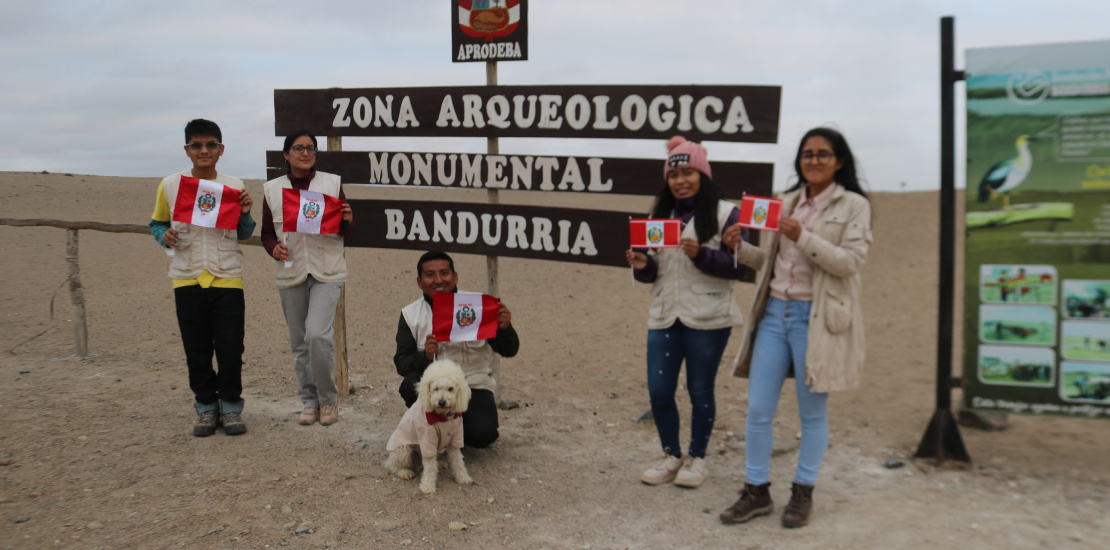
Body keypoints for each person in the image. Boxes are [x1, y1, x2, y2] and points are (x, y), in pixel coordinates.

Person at [718, 127, 872, 528]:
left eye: (823, 154)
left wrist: (803, 236)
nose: (814, 161)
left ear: (839, 161)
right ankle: (756, 490)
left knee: (811, 413)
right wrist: (739, 248)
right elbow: (769, 262)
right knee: (758, 409)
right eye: (808, 154)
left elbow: (850, 263)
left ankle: (803, 492)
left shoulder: (854, 205)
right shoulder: (785, 202)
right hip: (773, 315)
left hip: (815, 319)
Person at [625, 136, 750, 489]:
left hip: (710, 317)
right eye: (674, 175)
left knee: (700, 390)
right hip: (665, 314)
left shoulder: (727, 214)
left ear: (703, 174)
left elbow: (742, 267)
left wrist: (702, 254)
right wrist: (643, 265)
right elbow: (655, 271)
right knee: (659, 390)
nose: (680, 181)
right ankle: (671, 455)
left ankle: (698, 458)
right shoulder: (659, 217)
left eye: (688, 173)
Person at [148, 118, 255, 437]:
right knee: (196, 348)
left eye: (211, 144)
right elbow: (156, 223)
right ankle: (206, 406)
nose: (204, 150)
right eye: (197, 145)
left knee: (230, 347)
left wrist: (246, 212)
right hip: (187, 276)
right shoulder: (170, 185)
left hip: (227, 278)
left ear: (221, 149)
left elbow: (243, 233)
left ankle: (231, 407)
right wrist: (163, 235)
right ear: (187, 150)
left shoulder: (234, 186)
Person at [261, 130, 353, 426]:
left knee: (316, 335)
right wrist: (273, 248)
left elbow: (345, 230)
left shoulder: (331, 184)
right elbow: (266, 232)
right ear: (286, 154)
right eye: (299, 148)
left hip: (327, 270)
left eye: (311, 148)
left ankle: (328, 398)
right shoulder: (272, 190)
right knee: (299, 342)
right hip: (291, 270)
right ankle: (309, 401)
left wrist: (347, 220)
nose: (305, 153)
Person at [393, 251, 518, 448]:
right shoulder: (410, 315)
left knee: (483, 435)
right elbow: (402, 363)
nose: (438, 280)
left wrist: (505, 328)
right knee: (410, 384)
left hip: (473, 385)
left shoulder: (477, 306)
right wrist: (425, 356)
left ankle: (452, 432)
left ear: (455, 276)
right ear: (419, 282)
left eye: (444, 273)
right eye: (430, 275)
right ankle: (433, 428)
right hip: (435, 387)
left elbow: (509, 350)